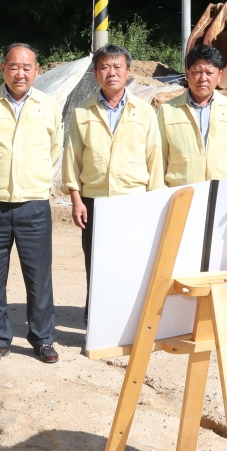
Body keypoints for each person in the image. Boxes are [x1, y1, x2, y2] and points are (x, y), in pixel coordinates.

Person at [0, 42, 64, 365]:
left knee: (38, 276)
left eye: (27, 67)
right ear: (2, 68)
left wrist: (31, 181)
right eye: (13, 66)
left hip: (33, 204)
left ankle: (42, 339)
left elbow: (54, 149)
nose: (20, 73)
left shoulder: (48, 105)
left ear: (37, 70)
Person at [62, 43, 163, 323]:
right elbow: (72, 158)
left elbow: (155, 159)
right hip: (95, 201)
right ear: (95, 73)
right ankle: (96, 322)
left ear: (128, 71)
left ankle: (131, 322)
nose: (111, 73)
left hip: (135, 200)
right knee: (96, 265)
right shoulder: (82, 112)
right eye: (105, 67)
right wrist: (76, 199)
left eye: (117, 67)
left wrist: (153, 203)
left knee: (133, 263)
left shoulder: (145, 112)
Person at [158, 43, 227, 186]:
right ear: (187, 73)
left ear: (219, 75)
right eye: (197, 72)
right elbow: (158, 157)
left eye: (209, 73)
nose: (203, 78)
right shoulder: (166, 111)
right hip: (182, 195)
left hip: (225, 194)